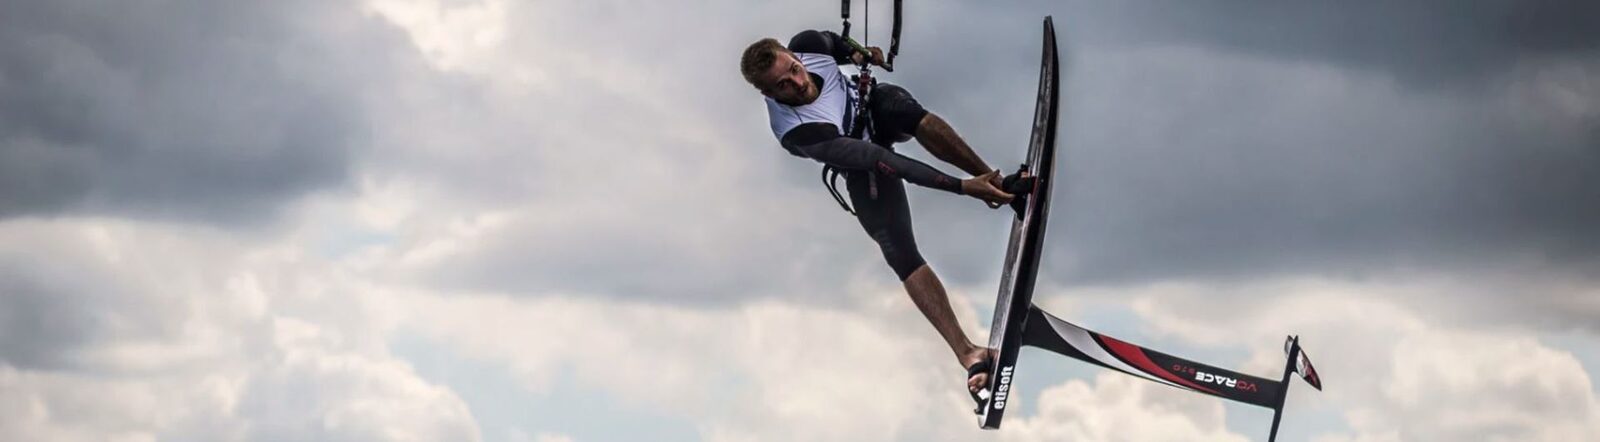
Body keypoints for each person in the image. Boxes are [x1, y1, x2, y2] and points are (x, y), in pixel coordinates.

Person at [740, 29, 1029, 402]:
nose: (798, 83)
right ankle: (968, 352)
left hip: (875, 109)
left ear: (795, 55)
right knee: (897, 251)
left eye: (795, 69)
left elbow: (835, 43)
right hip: (863, 161)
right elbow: (882, 160)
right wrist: (961, 187)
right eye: (783, 85)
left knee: (899, 106)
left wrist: (859, 53)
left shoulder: (809, 45)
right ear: (769, 94)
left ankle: (997, 182)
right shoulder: (798, 133)